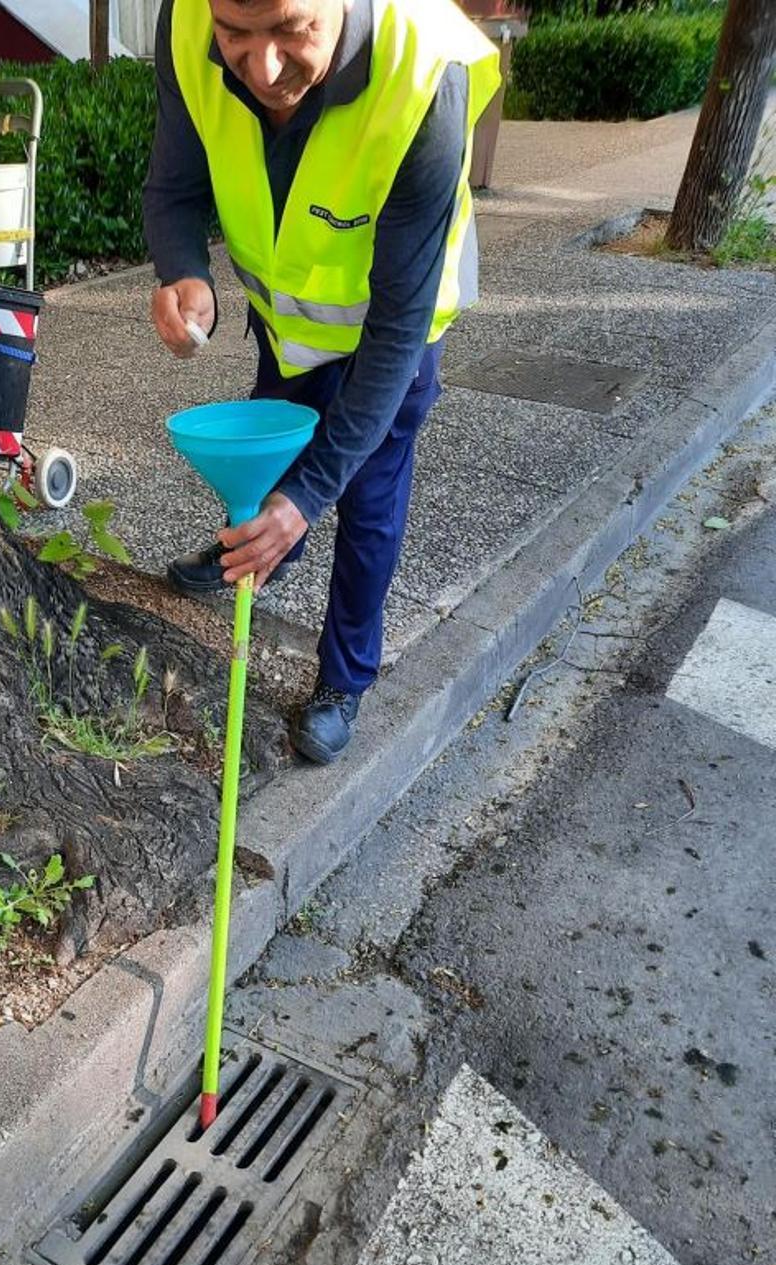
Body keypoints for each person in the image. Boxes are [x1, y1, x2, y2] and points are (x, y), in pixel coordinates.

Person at [143, 0, 500, 762]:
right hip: (289, 324)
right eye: (234, 35)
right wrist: (185, 272)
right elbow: (172, 190)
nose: (263, 69)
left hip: (395, 338)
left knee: (365, 500)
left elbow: (398, 324)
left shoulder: (424, 74)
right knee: (275, 452)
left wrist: (308, 499)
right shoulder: (184, 23)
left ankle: (344, 680)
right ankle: (261, 548)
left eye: (291, 29)